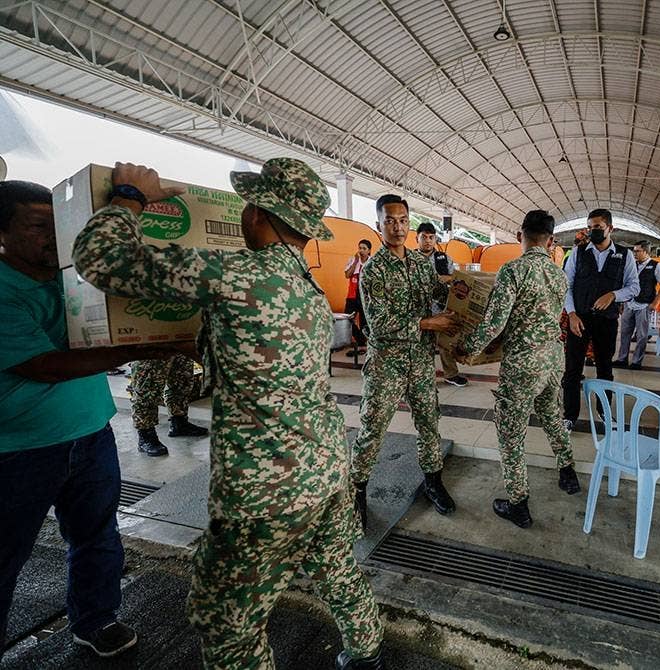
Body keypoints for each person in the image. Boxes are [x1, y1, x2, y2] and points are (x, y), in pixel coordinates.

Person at [72, 159, 385, 670]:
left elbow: (101, 259)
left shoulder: (236, 272)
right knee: (337, 570)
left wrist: (129, 197)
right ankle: (367, 654)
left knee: (228, 624)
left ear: (258, 213)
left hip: (265, 489)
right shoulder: (307, 290)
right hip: (325, 468)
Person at [0, 180, 184, 658]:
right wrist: (130, 350)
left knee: (97, 534)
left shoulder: (76, 278)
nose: (54, 238)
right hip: (20, 450)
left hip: (92, 434)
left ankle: (96, 619)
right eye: (38, 227)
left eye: (59, 226)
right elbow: (44, 365)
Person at [455, 210, 580, 528]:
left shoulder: (513, 270)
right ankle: (568, 472)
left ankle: (518, 503)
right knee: (551, 416)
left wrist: (468, 347)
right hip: (553, 359)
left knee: (511, 434)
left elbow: (495, 323)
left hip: (523, 364)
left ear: (519, 235)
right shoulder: (558, 274)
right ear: (551, 240)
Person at [351, 195, 459, 532]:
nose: (397, 227)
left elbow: (436, 296)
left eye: (402, 220)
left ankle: (433, 481)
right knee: (373, 429)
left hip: (421, 362)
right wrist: (429, 323)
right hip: (387, 364)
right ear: (379, 224)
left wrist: (461, 292)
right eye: (389, 221)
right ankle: (356, 492)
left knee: (429, 423)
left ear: (408, 224)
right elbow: (379, 323)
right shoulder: (373, 270)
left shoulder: (420, 263)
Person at [561, 209, 640, 430]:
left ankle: (604, 411)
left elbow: (634, 286)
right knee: (572, 369)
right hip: (580, 319)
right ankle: (569, 415)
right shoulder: (578, 253)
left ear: (610, 228)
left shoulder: (624, 255)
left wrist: (614, 295)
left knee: (605, 369)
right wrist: (571, 314)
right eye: (590, 227)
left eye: (597, 227)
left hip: (607, 321)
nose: (592, 231)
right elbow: (566, 285)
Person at [415, 221, 467, 387]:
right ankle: (421, 377)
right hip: (417, 311)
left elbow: (455, 280)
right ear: (417, 238)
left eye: (431, 237)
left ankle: (451, 374)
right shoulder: (410, 259)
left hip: (440, 309)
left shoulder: (443, 259)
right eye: (424, 237)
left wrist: (447, 278)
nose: (428, 241)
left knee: (445, 342)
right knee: (420, 345)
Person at [129, 354, 207, 457]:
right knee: (147, 388)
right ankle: (146, 436)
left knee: (182, 379)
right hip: (150, 348)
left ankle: (179, 422)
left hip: (177, 345)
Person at [613, 240, 660, 370]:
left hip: (644, 305)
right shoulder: (632, 265)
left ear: (646, 251)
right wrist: (622, 302)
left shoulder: (656, 266)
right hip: (629, 303)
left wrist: (655, 303)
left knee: (642, 335)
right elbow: (625, 283)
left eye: (638, 251)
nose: (635, 253)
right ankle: (622, 359)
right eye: (634, 251)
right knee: (625, 333)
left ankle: (636, 361)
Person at [344, 239, 373, 349]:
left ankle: (364, 343)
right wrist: (356, 262)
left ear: (369, 251)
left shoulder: (373, 263)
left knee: (365, 321)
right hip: (352, 295)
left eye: (364, 248)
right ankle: (361, 339)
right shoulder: (353, 260)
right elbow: (347, 275)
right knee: (347, 319)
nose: (361, 250)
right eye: (360, 248)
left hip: (366, 297)